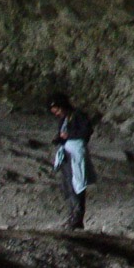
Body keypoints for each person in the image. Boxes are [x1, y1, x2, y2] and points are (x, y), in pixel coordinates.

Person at [48, 93, 96, 231]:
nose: (56, 113)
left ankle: (77, 217)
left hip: (76, 153)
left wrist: (70, 135)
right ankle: (72, 215)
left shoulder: (78, 116)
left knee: (77, 184)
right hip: (66, 154)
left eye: (57, 110)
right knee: (68, 185)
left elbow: (86, 131)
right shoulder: (64, 119)